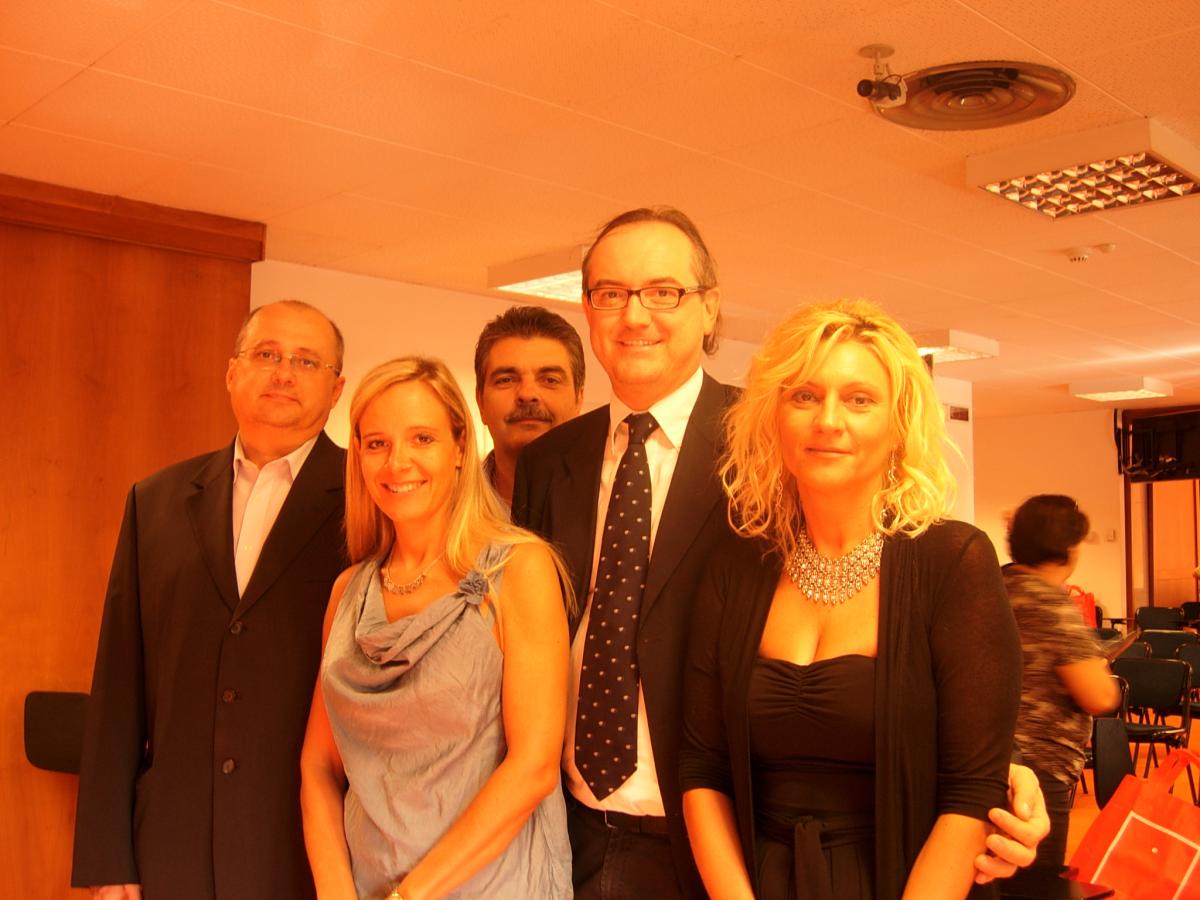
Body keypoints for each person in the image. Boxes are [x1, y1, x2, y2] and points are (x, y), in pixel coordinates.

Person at [512, 207, 1046, 899]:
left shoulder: (767, 446)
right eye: (610, 293)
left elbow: (912, 653)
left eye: (664, 291)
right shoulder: (550, 462)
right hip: (568, 827)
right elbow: (531, 640)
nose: (634, 315)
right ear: (586, 306)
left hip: (720, 845)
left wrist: (1003, 771)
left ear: (709, 308)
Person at [679, 299, 1023, 899]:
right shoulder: (737, 564)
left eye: (859, 400)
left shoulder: (953, 561)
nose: (828, 420)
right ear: (774, 416)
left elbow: (971, 790)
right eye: (804, 396)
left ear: (898, 423)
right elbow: (702, 766)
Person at [72, 300, 349, 900]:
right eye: (267, 354)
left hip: (313, 848)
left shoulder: (369, 501)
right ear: (232, 372)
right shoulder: (156, 501)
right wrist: (106, 858)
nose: (283, 372)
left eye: (307, 361)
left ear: (336, 388)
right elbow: (119, 683)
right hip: (171, 845)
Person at [300, 356, 573, 899]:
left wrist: (408, 896)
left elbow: (534, 767)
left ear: (459, 447)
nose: (397, 462)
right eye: (376, 444)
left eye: (421, 438)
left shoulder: (519, 569)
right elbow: (319, 766)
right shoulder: (348, 592)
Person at [1001, 495, 1120, 891]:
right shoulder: (1050, 602)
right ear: (1068, 548)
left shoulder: (996, 587)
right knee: (1036, 887)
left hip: (991, 759)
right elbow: (1100, 698)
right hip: (1039, 766)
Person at [474, 305, 585, 506]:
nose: (527, 394)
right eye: (506, 380)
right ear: (480, 401)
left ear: (579, 398)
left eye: (550, 380)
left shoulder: (609, 508)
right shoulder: (444, 511)